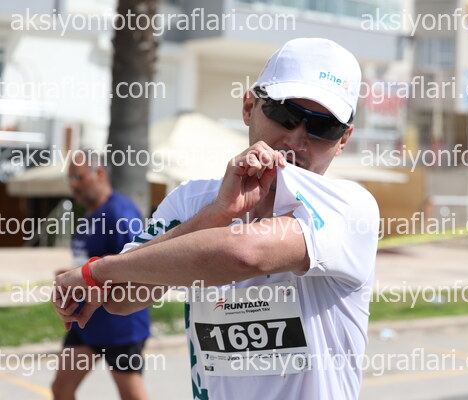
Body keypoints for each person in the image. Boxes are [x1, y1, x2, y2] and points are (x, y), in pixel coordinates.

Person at [53, 38, 379, 400]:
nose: (297, 139)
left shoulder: (349, 207)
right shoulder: (193, 200)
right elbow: (121, 297)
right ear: (249, 107)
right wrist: (216, 214)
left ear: (343, 139)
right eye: (284, 114)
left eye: (324, 127)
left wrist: (96, 271)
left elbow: (244, 254)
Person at [52, 151, 150, 400]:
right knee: (61, 389)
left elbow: (138, 267)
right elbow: (89, 263)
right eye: (69, 179)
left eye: (78, 177)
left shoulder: (120, 213)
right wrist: (71, 276)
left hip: (120, 324)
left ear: (100, 173)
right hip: (86, 322)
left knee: (132, 396)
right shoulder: (88, 214)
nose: (73, 185)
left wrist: (85, 278)